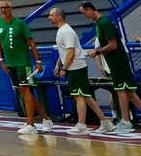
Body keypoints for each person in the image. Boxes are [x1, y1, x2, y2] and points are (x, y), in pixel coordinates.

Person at [79, 2, 141, 133]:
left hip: (118, 62)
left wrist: (97, 52)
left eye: (84, 13)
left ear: (90, 9)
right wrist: (97, 51)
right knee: (128, 92)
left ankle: (127, 121)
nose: (84, 16)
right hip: (114, 62)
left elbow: (113, 45)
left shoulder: (104, 23)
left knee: (122, 90)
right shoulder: (100, 24)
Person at [47, 8, 113, 136]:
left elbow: (71, 52)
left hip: (76, 67)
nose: (49, 17)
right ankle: (105, 122)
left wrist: (64, 69)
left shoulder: (66, 31)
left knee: (79, 95)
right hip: (74, 67)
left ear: (59, 17)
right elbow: (65, 51)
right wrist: (58, 64)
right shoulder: (62, 31)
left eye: (51, 15)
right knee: (86, 96)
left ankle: (81, 125)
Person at [0, 1, 53, 136]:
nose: (3, 10)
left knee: (26, 91)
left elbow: (31, 42)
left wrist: (38, 61)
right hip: (10, 64)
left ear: (11, 8)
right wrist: (1, 60)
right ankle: (46, 119)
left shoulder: (20, 24)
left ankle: (31, 124)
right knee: (25, 93)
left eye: (5, 7)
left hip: (23, 63)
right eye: (1, 8)